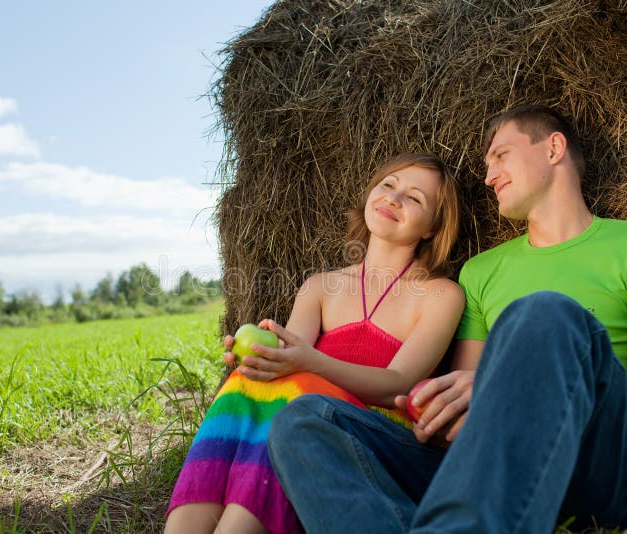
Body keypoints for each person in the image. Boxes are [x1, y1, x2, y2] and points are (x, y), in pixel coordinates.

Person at [267, 104, 627, 533]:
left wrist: (513, 380)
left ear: (553, 148)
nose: (489, 176)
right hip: (491, 466)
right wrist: (436, 415)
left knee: (545, 312)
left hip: (605, 464)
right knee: (304, 422)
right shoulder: (480, 272)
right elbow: (466, 403)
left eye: (501, 156)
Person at [165, 153, 466, 534]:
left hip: (368, 433)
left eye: (415, 198)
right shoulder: (321, 286)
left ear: (432, 227)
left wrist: (308, 363)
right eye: (388, 185)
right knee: (244, 385)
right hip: (301, 413)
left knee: (301, 392)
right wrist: (261, 360)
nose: (394, 198)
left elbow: (400, 383)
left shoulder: (440, 295)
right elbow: (288, 365)